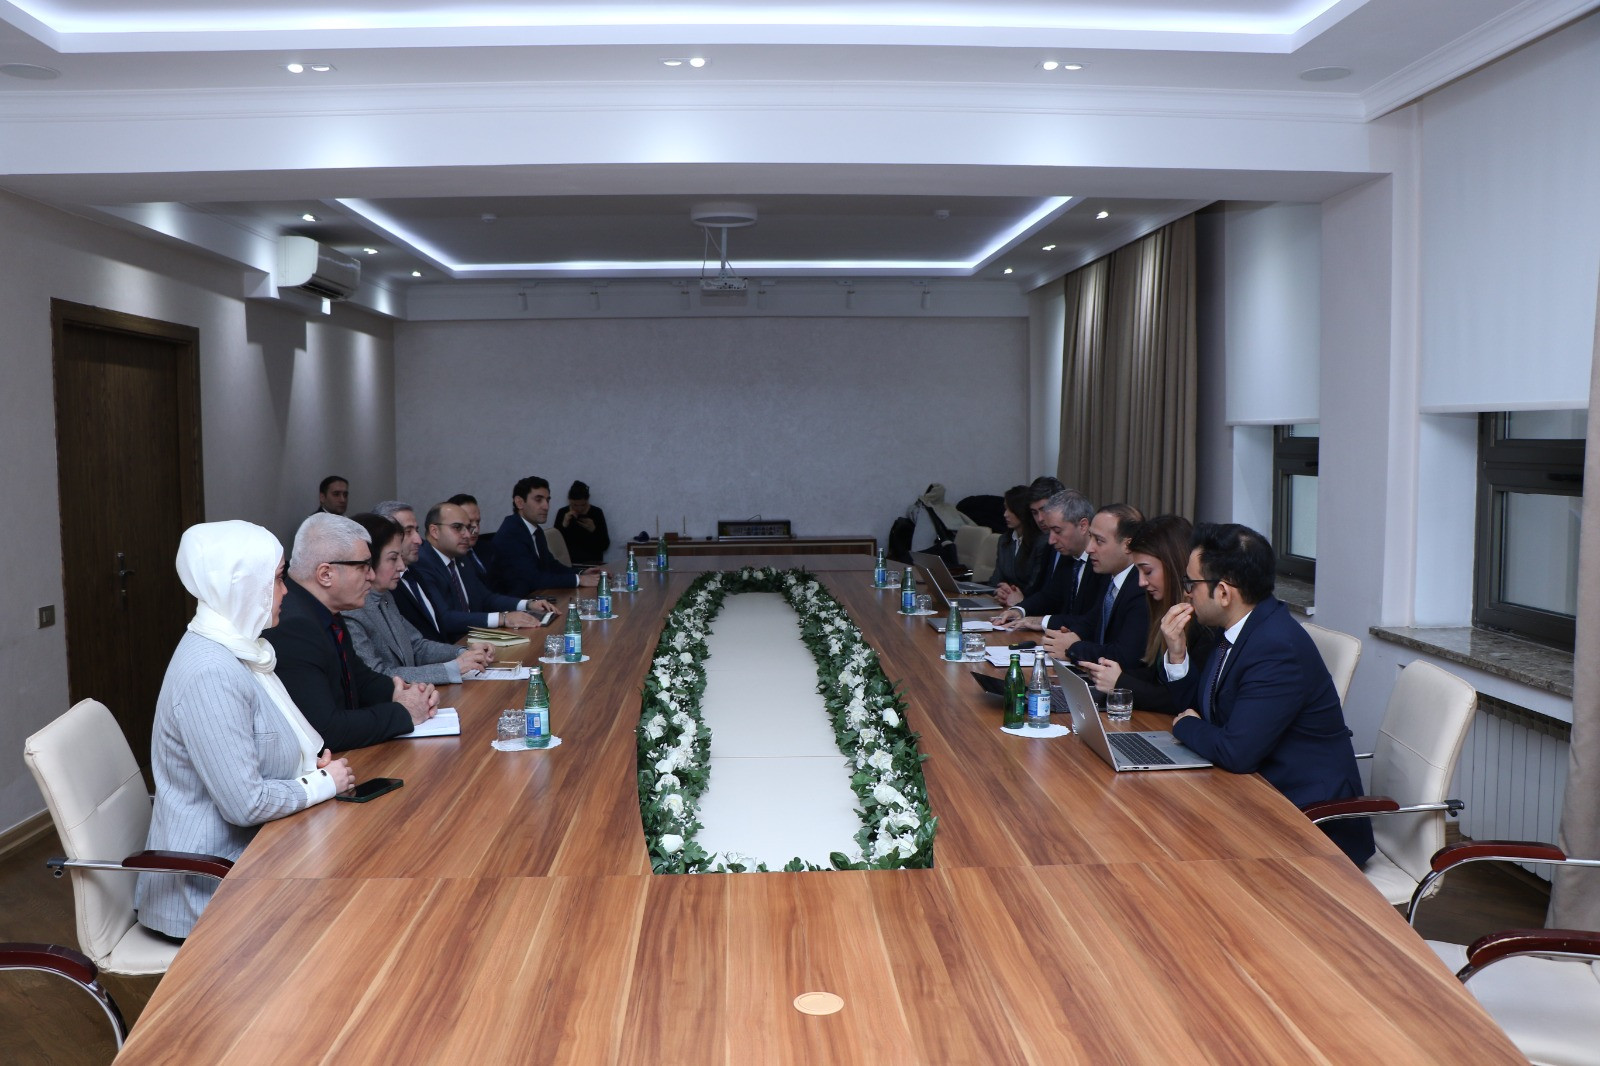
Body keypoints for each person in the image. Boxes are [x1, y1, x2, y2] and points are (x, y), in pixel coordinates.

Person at [135, 520, 355, 940]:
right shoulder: (210, 671)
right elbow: (246, 805)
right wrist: (322, 783)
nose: (286, 591)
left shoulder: (238, 647)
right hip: (209, 885)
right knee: (351, 910)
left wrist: (307, 768)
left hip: (253, 856)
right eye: (277, 579)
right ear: (242, 585)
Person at [1165, 523, 1374, 865]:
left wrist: (1184, 726)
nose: (1187, 593)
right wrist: (1177, 654)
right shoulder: (1240, 629)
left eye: (1191, 584)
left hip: (1311, 821)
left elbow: (1236, 752)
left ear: (1223, 592)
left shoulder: (1275, 648)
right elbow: (1202, 711)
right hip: (1257, 796)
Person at [264, 513, 439, 751]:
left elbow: (360, 680)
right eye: (363, 566)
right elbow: (326, 730)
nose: (372, 575)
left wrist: (410, 693)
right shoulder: (293, 626)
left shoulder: (323, 609)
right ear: (326, 574)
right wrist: (404, 712)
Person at [1077, 515, 1217, 715]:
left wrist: (1120, 682)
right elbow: (1156, 675)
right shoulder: (1164, 608)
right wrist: (1108, 675)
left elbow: (1182, 697)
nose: (1141, 582)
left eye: (1148, 571)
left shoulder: (1205, 623)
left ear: (1173, 566)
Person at [343, 512, 497, 684]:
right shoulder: (351, 611)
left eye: (400, 557)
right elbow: (378, 675)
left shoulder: (385, 596)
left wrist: (464, 653)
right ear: (368, 561)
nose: (401, 567)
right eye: (393, 558)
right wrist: (453, 668)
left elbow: (417, 646)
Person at [411, 501, 559, 640]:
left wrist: (528, 604)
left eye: (468, 528)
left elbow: (486, 598)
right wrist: (503, 618)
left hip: (476, 638)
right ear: (435, 531)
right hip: (451, 646)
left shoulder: (460, 557)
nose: (467, 535)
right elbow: (445, 618)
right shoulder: (422, 563)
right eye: (457, 527)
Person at [992, 488, 1104, 624]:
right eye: (1050, 531)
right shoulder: (1068, 556)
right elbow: (1050, 596)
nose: (1051, 540)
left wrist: (1043, 622)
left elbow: (1093, 620)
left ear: (1083, 526)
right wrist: (1019, 610)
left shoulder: (1102, 562)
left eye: (1057, 531)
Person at [488, 476, 599, 596]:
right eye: (538, 500)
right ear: (519, 502)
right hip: (516, 602)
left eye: (547, 500)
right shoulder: (511, 533)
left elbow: (551, 565)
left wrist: (581, 573)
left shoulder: (536, 530)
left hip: (536, 597)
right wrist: (578, 580)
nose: (546, 506)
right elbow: (533, 579)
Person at [372, 500, 445, 643]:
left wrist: (458, 652)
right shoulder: (383, 587)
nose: (419, 540)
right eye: (408, 531)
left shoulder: (415, 572)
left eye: (416, 530)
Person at [989, 485, 1049, 596]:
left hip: (1027, 601)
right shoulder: (1004, 540)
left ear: (1021, 510)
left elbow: (1035, 586)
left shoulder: (1042, 542)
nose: (1005, 514)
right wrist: (999, 592)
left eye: (1010, 509)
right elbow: (995, 580)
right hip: (1004, 601)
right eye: (1005, 508)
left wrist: (1013, 596)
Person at [553, 480, 610, 566]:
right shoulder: (563, 513)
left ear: (588, 500)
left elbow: (605, 545)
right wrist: (564, 525)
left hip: (592, 564)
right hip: (568, 564)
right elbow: (555, 546)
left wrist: (594, 530)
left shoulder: (596, 512)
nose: (579, 509)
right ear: (569, 500)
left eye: (583, 505)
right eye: (575, 505)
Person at [447, 492, 494, 578]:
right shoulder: (449, 558)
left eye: (478, 522)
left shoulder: (489, 548)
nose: (476, 530)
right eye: (468, 523)